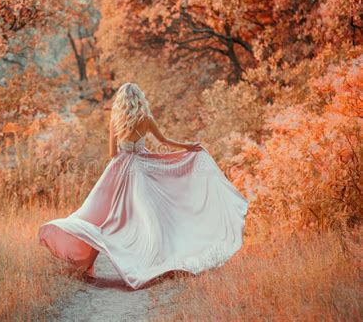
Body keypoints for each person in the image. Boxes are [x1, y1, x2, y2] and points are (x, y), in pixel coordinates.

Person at [38, 82, 249, 290]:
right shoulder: (145, 118)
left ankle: (85, 260)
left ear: (121, 101)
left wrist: (125, 148)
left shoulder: (116, 120)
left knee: (100, 217)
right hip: (141, 169)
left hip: (119, 170)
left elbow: (112, 154)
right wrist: (188, 147)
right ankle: (151, 263)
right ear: (139, 99)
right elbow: (165, 141)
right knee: (148, 219)